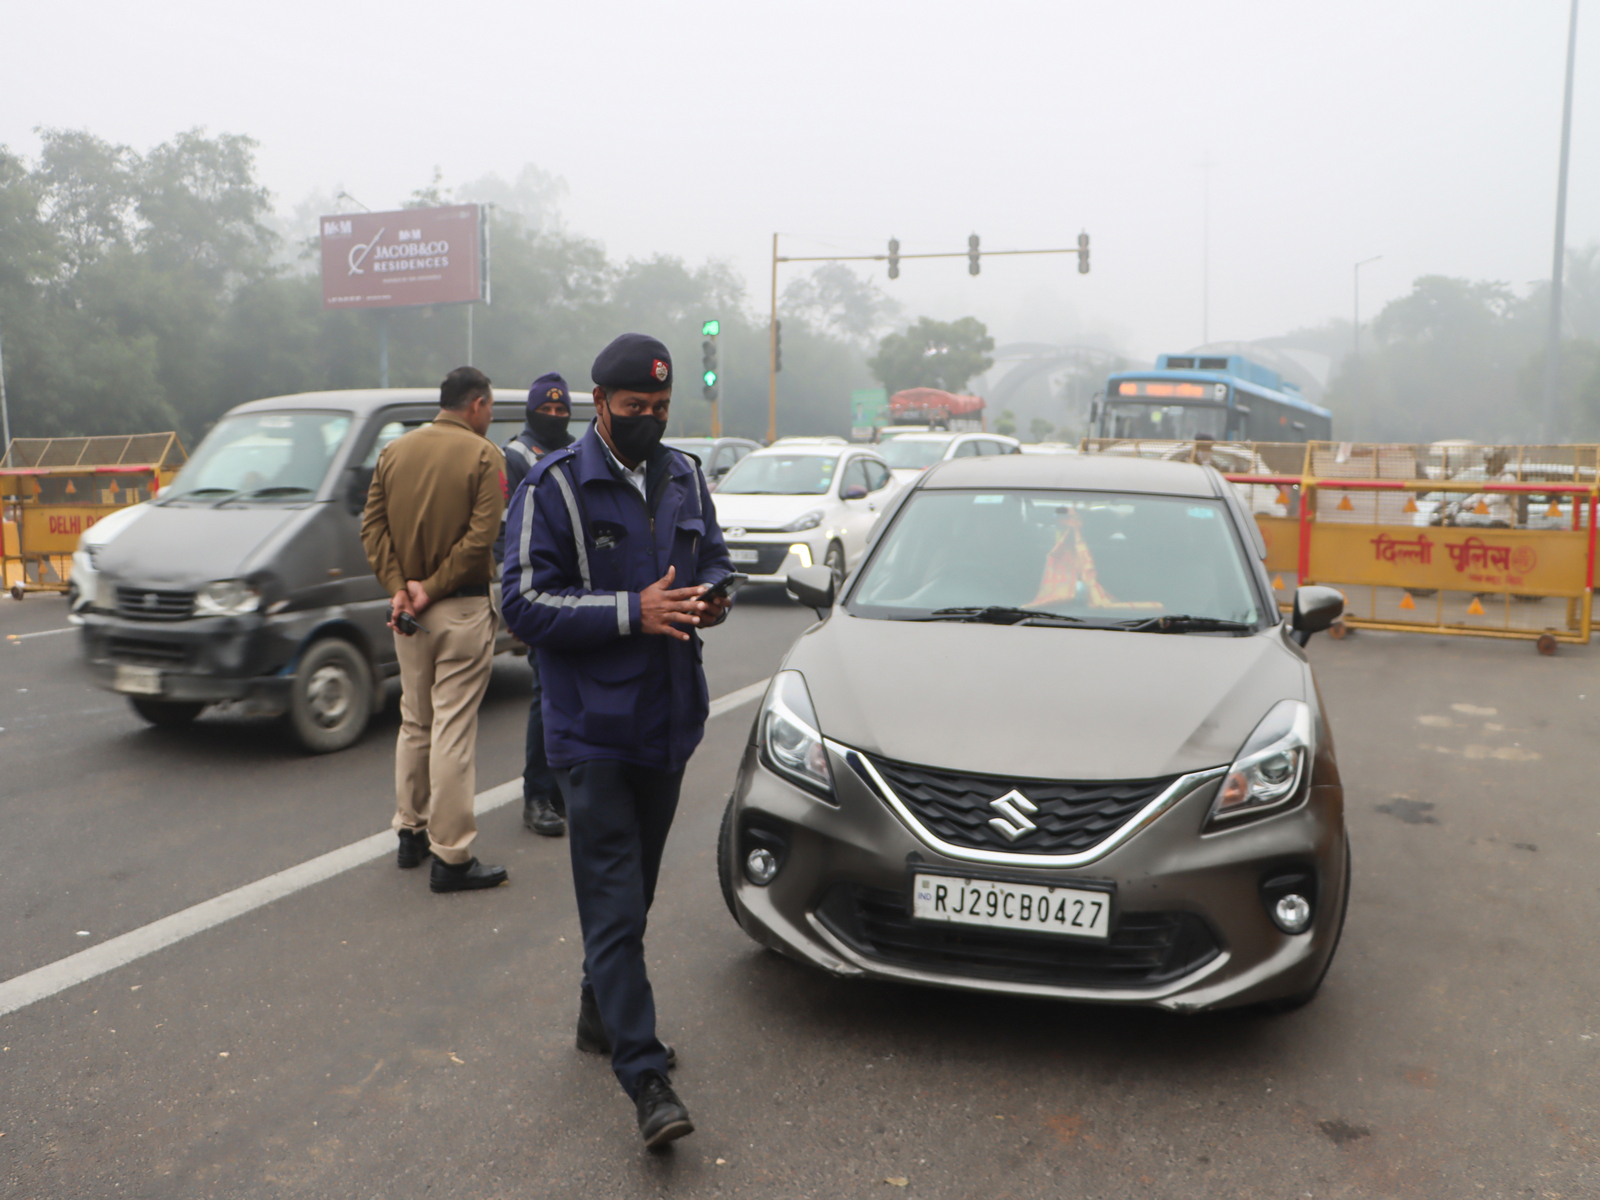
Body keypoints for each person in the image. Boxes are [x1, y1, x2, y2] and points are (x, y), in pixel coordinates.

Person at [501, 333, 734, 1149]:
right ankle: (644, 1078)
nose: (650, 422)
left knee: (631, 897)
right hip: (590, 731)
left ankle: (600, 1015)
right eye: (636, 409)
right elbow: (523, 606)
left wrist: (714, 599)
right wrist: (634, 610)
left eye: (662, 410)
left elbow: (714, 560)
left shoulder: (685, 475)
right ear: (600, 405)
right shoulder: (553, 488)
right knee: (611, 900)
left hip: (666, 723)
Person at [361, 366, 510, 895]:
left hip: (408, 613)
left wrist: (401, 587)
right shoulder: (483, 456)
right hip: (460, 610)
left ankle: (410, 830)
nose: (489, 419)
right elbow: (482, 538)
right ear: (475, 405)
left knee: (414, 720)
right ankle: (452, 855)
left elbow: (372, 527)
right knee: (452, 730)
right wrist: (435, 587)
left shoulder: (394, 453)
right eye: (489, 409)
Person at [500, 373, 577, 838]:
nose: (553, 416)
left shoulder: (578, 450)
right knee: (544, 694)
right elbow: (505, 533)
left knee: (571, 692)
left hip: (577, 589)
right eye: (545, 410)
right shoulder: (513, 456)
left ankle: (562, 788)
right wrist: (512, 601)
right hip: (537, 586)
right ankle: (536, 795)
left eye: (560, 410)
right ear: (531, 412)